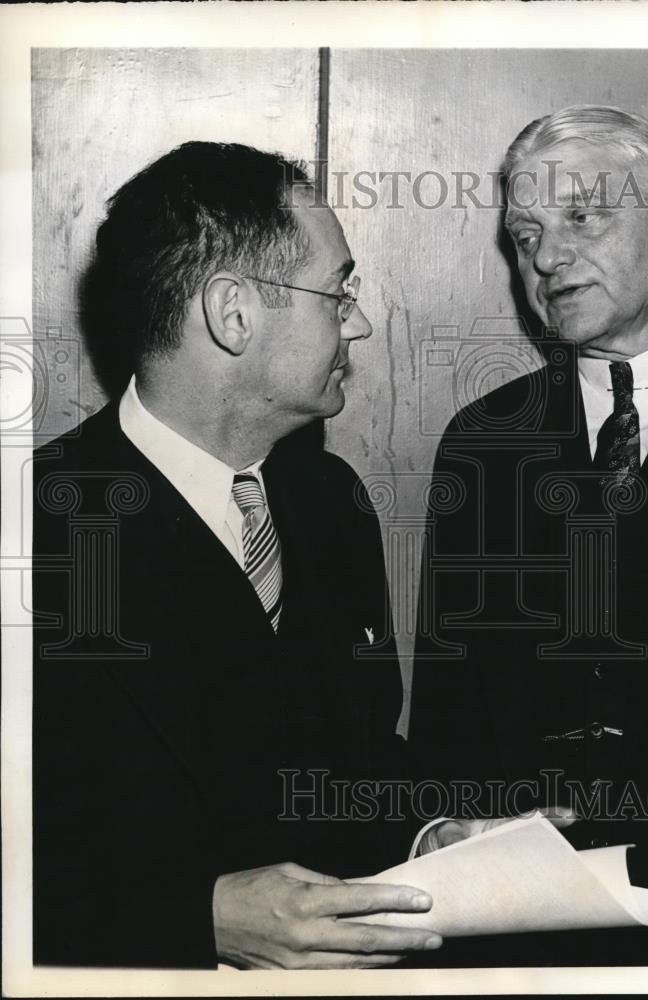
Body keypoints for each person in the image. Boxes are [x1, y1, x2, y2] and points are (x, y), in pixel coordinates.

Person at [32, 142, 444, 970]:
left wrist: (436, 835)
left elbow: (358, 758)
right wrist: (196, 918)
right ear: (233, 313)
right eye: (339, 292)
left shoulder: (333, 502)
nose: (357, 320)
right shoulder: (30, 534)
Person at [410, 106, 648, 966]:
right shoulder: (482, 441)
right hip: (523, 936)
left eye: (582, 217)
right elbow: (448, 712)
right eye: (524, 233)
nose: (544, 258)